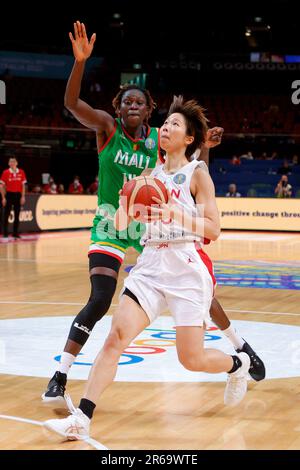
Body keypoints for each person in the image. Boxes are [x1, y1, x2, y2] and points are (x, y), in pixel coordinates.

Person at [42, 21, 264, 405]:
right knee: (100, 298)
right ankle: (61, 374)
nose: (131, 106)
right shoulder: (108, 128)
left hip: (154, 228)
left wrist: (204, 144)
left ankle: (239, 348)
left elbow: (191, 173)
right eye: (125, 101)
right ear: (118, 107)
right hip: (115, 222)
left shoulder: (159, 141)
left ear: (149, 109)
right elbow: (72, 105)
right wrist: (79, 63)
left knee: (199, 295)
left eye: (138, 102)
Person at [44, 97, 251, 440]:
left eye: (175, 125)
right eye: (166, 123)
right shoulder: (148, 174)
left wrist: (172, 211)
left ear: (188, 139)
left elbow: (213, 228)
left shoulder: (197, 173)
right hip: (151, 265)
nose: (166, 128)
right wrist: (128, 207)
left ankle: (236, 364)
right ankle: (81, 417)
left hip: (186, 267)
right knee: (115, 338)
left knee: (191, 359)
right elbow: (125, 219)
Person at [0, 156, 27, 239]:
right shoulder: (5, 172)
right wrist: (3, 197)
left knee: (17, 214)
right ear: (8, 163)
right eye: (10, 162)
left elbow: (23, 186)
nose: (12, 163)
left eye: (14, 161)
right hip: (9, 195)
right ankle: (5, 233)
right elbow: (2, 186)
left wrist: (23, 196)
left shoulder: (21, 172)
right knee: (6, 215)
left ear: (17, 163)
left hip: (18, 195)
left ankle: (15, 233)